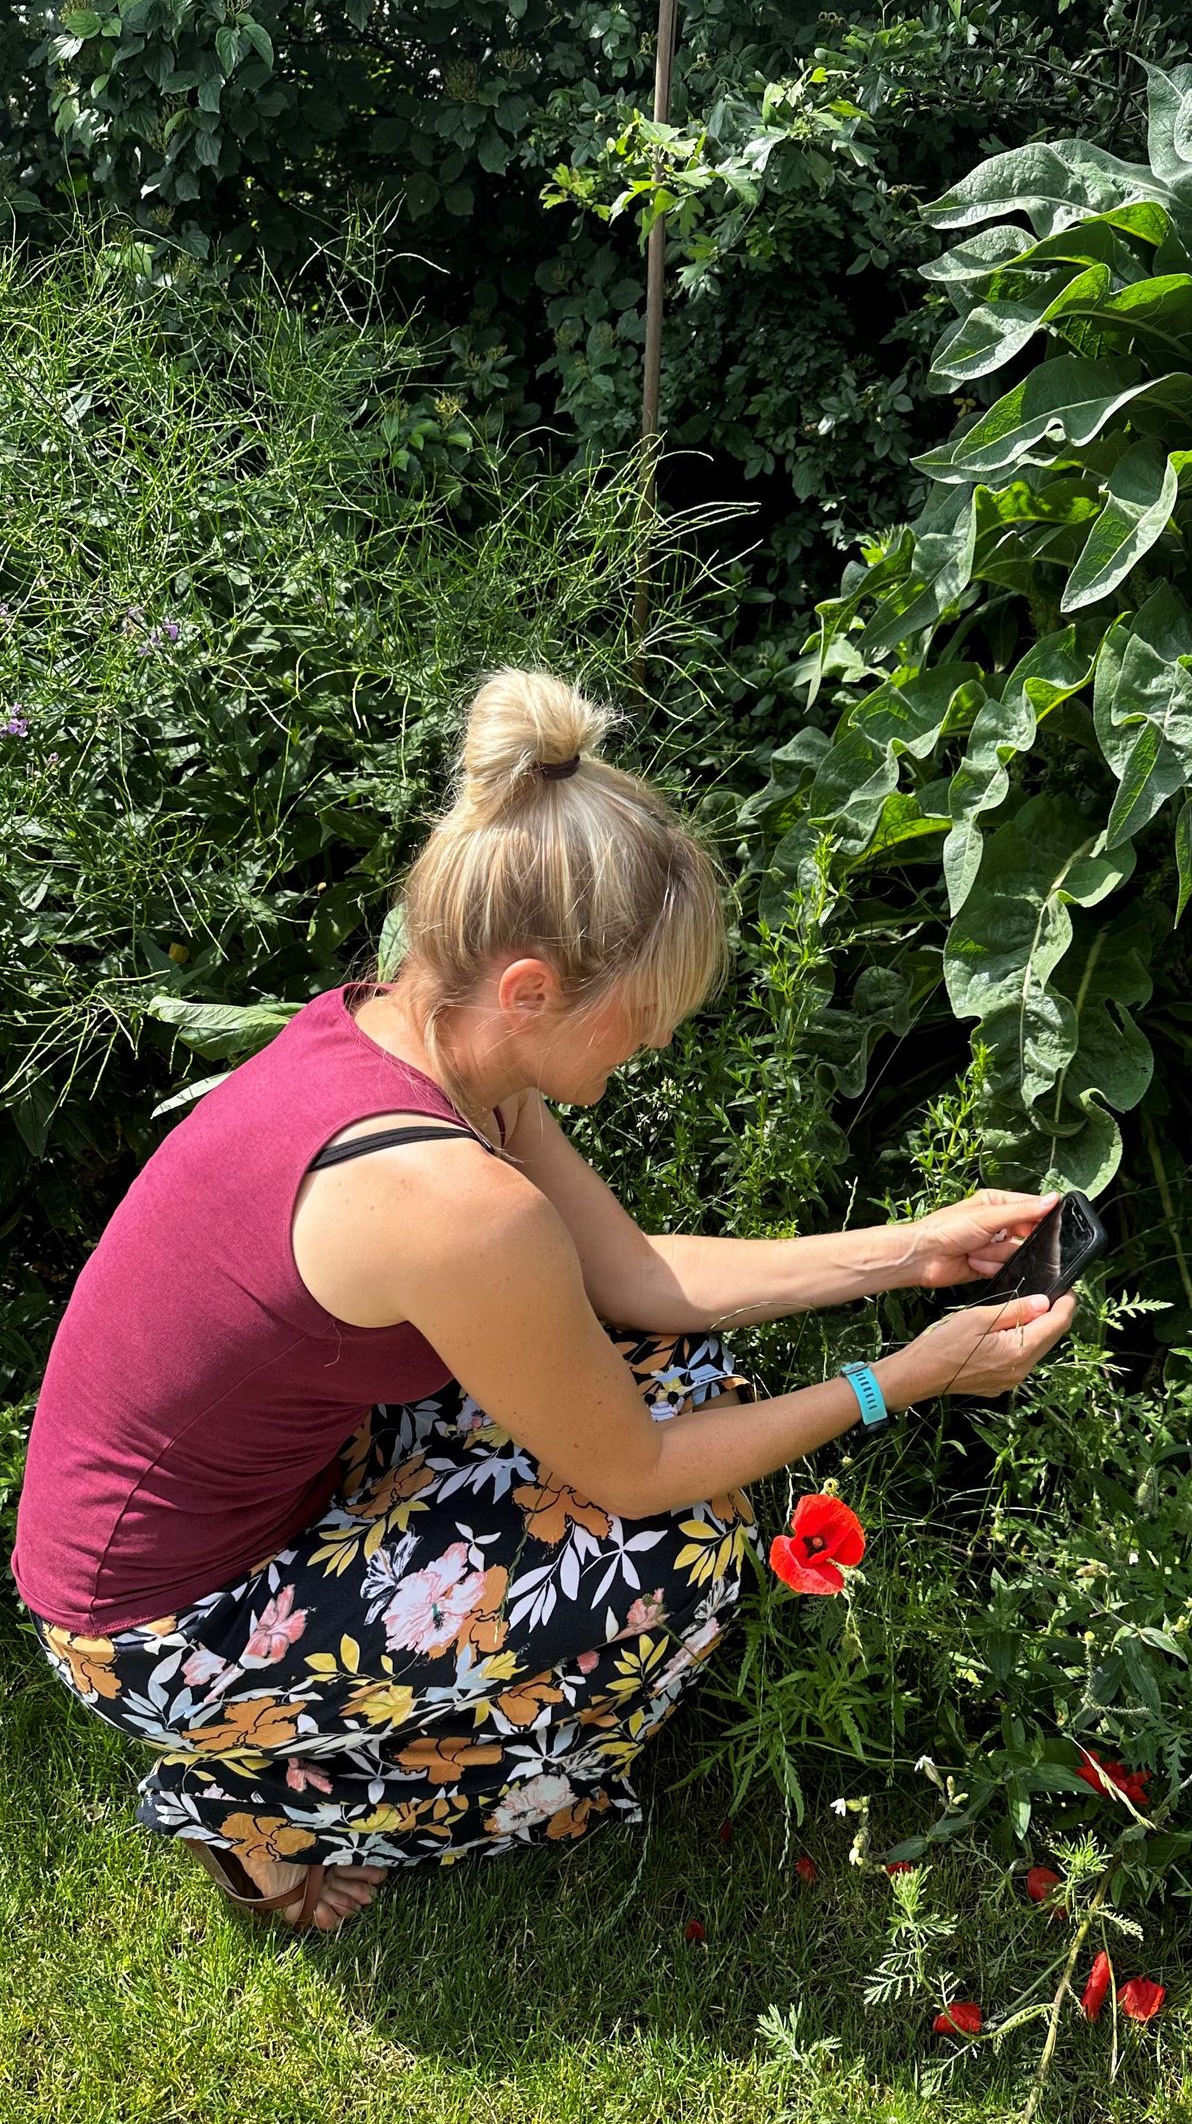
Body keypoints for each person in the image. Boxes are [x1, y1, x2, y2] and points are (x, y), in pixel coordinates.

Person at [10, 667, 1074, 1934]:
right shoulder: (459, 1203)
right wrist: (898, 1382)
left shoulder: (412, 1035)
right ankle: (261, 1807)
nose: (658, 1044)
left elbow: (637, 1281)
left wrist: (913, 1251)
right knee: (673, 1547)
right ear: (528, 992)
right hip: (152, 1625)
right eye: (642, 1016)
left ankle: (322, 1743)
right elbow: (633, 1474)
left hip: (245, 1500)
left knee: (680, 1390)